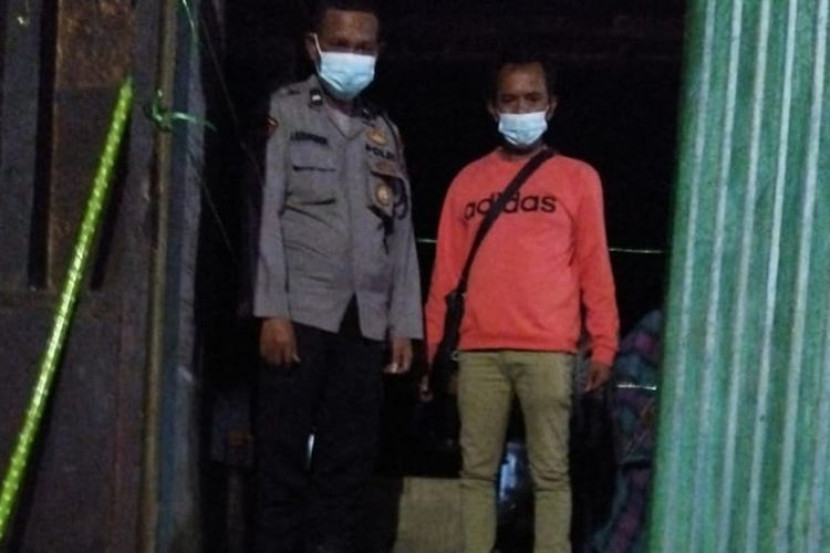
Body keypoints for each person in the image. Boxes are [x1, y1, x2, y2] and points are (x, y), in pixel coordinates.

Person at [424, 51, 619, 553]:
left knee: (551, 472)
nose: (520, 109)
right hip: (478, 350)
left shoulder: (578, 177)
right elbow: (446, 274)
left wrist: (604, 345)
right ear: (493, 107)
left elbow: (594, 265)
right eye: (510, 100)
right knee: (476, 471)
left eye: (531, 99)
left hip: (550, 348)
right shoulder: (467, 181)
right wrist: (434, 351)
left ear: (551, 105)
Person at [252, 1, 422, 551]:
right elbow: (264, 214)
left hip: (364, 323)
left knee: (346, 468)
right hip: (300, 313)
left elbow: (401, 235)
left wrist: (402, 324)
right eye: (342, 44)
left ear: (379, 52)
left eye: (364, 47)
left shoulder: (384, 131)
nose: (353, 55)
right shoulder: (285, 112)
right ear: (314, 47)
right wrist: (271, 310)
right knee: (280, 463)